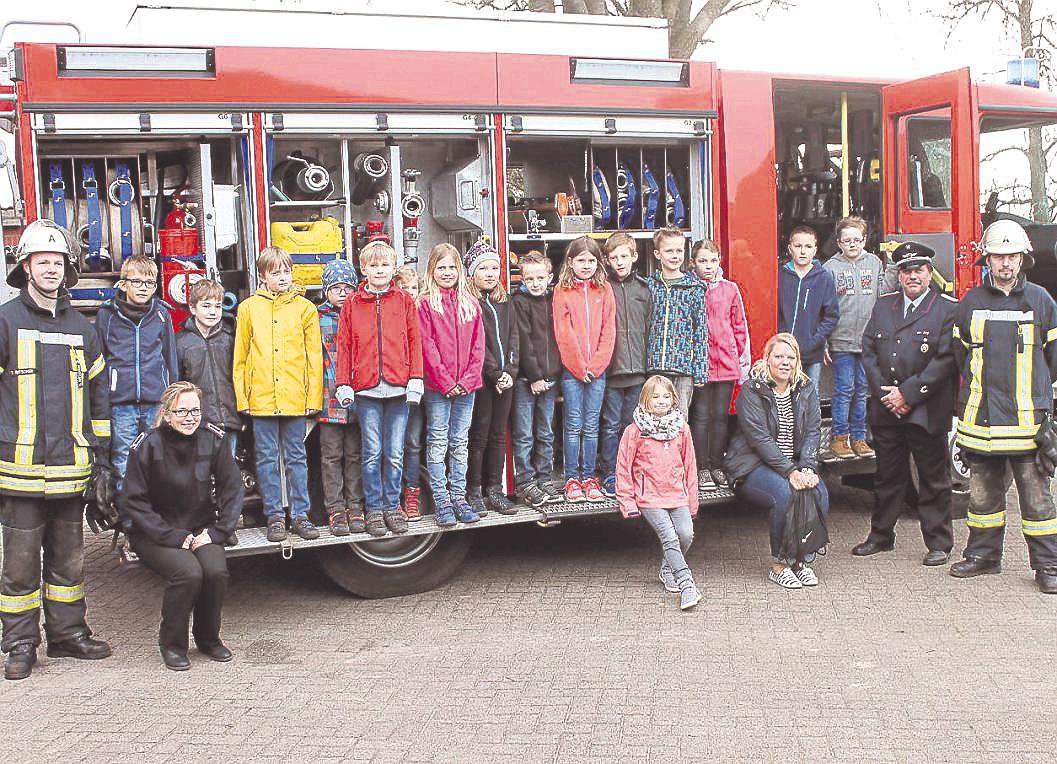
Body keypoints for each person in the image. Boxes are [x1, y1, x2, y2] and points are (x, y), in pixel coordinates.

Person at [0, 220, 113, 681]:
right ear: (25, 266)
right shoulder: (5, 321)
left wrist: (102, 461)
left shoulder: (82, 329)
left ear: (68, 270)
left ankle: (67, 635)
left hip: (71, 469)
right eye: (42, 261)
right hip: (19, 471)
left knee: (70, 561)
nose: (50, 268)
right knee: (20, 568)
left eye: (57, 261)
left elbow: (100, 397)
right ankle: (20, 644)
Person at [949, 220, 1057, 593]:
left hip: (1027, 423)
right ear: (987, 260)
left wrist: (1042, 402)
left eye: (1011, 256)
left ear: (1022, 258)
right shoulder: (971, 303)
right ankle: (983, 556)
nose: (1005, 264)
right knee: (981, 496)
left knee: (1037, 501)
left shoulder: (1041, 300)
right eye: (998, 257)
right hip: (981, 420)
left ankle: (1048, 566)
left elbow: (1054, 358)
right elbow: (959, 355)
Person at [119, 382, 243, 671]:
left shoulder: (213, 439)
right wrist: (175, 537)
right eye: (182, 411)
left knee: (215, 571)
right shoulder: (147, 445)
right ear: (167, 413)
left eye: (195, 411)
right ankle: (173, 645)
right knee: (188, 574)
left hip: (200, 529)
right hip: (154, 533)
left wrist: (216, 532)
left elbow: (232, 488)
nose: (190, 417)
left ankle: (208, 639)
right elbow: (133, 502)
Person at [856, 242, 958, 565]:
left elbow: (945, 361)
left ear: (930, 273)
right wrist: (887, 394)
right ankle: (881, 535)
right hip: (887, 408)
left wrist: (908, 395)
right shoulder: (883, 306)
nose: (913, 276)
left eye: (919, 270)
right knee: (887, 476)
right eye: (906, 271)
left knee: (932, 479)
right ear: (898, 276)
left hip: (926, 409)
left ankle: (939, 542)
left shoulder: (946, 309)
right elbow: (868, 350)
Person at [725, 333, 829, 590]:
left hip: (793, 463)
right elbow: (759, 440)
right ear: (767, 359)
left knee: (820, 493)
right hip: (752, 465)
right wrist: (791, 472)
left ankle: (800, 560)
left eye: (790, 357)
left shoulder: (806, 388)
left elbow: (813, 431)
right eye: (779, 356)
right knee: (785, 493)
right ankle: (779, 564)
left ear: (797, 361)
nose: (785, 362)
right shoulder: (752, 390)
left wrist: (806, 467)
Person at [233, 246, 323, 543]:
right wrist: (243, 398)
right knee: (267, 459)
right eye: (275, 272)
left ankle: (300, 515)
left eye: (286, 271)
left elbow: (313, 358)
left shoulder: (305, 309)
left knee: (297, 458)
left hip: (295, 398)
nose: (283, 277)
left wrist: (313, 399)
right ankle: (274, 516)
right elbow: (241, 357)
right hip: (261, 399)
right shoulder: (248, 308)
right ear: (263, 276)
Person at [336, 242, 423, 537]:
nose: (379, 271)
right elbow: (344, 345)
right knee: (372, 452)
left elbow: (414, 341)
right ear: (364, 269)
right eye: (373, 266)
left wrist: (416, 378)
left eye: (384, 265)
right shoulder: (352, 303)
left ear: (393, 269)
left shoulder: (404, 301)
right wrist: (343, 382)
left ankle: (392, 506)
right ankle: (373, 508)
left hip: (399, 388)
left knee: (395, 452)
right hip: (366, 390)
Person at [615, 375, 701, 610]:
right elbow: (623, 467)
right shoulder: (634, 432)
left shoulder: (682, 429)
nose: (661, 401)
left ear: (673, 399)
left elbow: (690, 466)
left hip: (677, 494)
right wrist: (628, 502)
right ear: (645, 400)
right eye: (655, 396)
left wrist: (692, 501)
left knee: (685, 534)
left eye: (666, 396)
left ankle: (667, 569)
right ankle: (686, 584)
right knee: (670, 537)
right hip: (649, 497)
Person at [96, 255, 178, 489]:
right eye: (137, 282)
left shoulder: (162, 314)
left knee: (157, 458)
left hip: (156, 403)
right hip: (121, 404)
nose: (144, 288)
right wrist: (103, 400)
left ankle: (155, 517)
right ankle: (129, 517)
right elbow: (100, 361)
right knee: (124, 459)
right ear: (123, 284)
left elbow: (170, 359)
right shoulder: (107, 315)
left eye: (150, 283)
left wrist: (171, 401)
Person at [417, 243, 485, 526]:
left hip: (466, 388)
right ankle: (442, 502)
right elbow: (427, 346)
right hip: (438, 389)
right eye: (441, 267)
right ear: (432, 271)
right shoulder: (424, 304)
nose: (447, 273)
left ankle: (459, 497)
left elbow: (479, 346)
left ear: (460, 271)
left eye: (452, 267)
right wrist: (446, 381)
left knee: (460, 443)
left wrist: (467, 380)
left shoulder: (470, 304)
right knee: (438, 443)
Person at [552, 236, 616, 503]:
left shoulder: (605, 290)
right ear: (570, 262)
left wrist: (597, 365)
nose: (586, 265)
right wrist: (579, 367)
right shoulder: (562, 291)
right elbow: (563, 333)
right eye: (581, 260)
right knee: (573, 425)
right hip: (572, 372)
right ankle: (571, 479)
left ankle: (589, 477)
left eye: (591, 260)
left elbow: (608, 330)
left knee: (592, 426)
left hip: (597, 372)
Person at [465, 239, 519, 516]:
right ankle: (474, 491)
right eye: (483, 268)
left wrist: (510, 371)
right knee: (479, 435)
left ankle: (495, 490)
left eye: (494, 267)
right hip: (483, 381)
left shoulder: (505, 301)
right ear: (472, 273)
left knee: (499, 434)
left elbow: (514, 338)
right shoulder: (471, 303)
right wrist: (495, 373)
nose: (489, 273)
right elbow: (479, 344)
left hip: (505, 379)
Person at [691, 239, 750, 488]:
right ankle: (701, 466)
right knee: (701, 416)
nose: (708, 266)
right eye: (703, 261)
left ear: (719, 262)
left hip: (726, 363)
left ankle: (716, 464)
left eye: (713, 260)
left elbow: (739, 325)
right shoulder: (690, 288)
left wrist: (742, 361)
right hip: (701, 365)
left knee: (721, 417)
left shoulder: (730, 289)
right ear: (693, 263)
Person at [823, 216, 883, 459]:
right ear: (838, 242)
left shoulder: (875, 263)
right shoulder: (829, 268)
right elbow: (823, 307)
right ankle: (839, 439)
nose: (852, 244)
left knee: (862, 390)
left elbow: (883, 297)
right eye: (846, 240)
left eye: (857, 240)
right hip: (841, 341)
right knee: (844, 389)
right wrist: (825, 340)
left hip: (867, 342)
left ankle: (859, 438)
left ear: (865, 240)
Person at [598, 233, 652, 497]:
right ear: (607, 260)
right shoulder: (602, 288)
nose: (619, 262)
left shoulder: (644, 289)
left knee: (633, 426)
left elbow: (651, 328)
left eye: (624, 256)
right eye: (614, 257)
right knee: (609, 424)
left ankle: (631, 470)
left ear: (634, 257)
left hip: (638, 371)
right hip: (612, 371)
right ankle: (609, 472)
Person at [510, 251, 563, 509]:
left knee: (546, 431)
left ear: (550, 277)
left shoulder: (554, 300)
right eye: (529, 278)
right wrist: (534, 377)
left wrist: (556, 377)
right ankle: (525, 479)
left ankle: (544, 476)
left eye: (540, 277)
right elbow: (523, 341)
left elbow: (559, 341)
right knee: (524, 434)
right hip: (525, 380)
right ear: (522, 278)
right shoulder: (518, 302)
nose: (535, 283)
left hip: (551, 379)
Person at [317, 259, 363, 536]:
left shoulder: (360, 314)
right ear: (325, 290)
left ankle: (355, 507)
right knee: (331, 457)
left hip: (358, 400)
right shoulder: (315, 318)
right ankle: (335, 509)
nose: (342, 292)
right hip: (328, 400)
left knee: (355, 455)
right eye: (335, 287)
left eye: (348, 286)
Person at [175, 279, 242, 458]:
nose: (213, 312)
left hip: (229, 420)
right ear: (193, 308)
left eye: (218, 306)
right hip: (197, 423)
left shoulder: (230, 339)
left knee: (228, 474)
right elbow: (177, 384)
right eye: (206, 306)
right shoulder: (180, 342)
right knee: (199, 475)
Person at [646, 227, 708, 416]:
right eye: (669, 251)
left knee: (679, 419)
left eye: (679, 250)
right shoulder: (649, 286)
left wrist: (700, 369)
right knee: (653, 418)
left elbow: (701, 331)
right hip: (655, 365)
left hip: (684, 367)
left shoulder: (694, 289)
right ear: (657, 254)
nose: (675, 255)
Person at [777, 225, 839, 391]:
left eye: (808, 246)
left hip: (812, 352)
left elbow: (831, 315)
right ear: (790, 249)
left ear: (815, 249)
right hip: (784, 351)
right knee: (784, 395)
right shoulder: (780, 276)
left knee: (810, 395)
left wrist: (815, 340)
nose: (803, 251)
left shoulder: (823, 277)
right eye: (798, 246)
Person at [394, 265, 425, 521]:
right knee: (392, 447)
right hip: (395, 389)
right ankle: (391, 499)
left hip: (419, 389)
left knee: (413, 444)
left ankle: (412, 494)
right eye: (404, 287)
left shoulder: (423, 312)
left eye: (414, 288)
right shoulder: (393, 314)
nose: (410, 292)